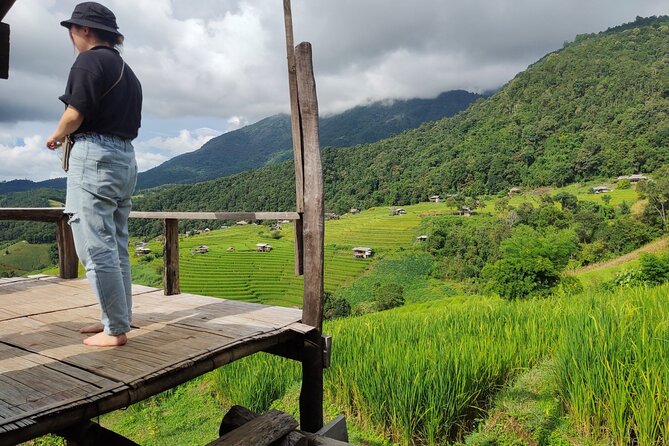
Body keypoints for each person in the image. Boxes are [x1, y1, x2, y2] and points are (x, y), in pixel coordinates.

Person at [46, 2, 142, 347]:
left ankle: (115, 329)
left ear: (85, 29)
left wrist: (56, 135)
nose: (71, 37)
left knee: (96, 243)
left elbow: (76, 113)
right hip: (124, 157)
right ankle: (117, 317)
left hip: (95, 156)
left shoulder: (88, 60)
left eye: (72, 29)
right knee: (115, 243)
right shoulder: (126, 71)